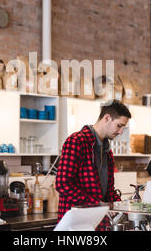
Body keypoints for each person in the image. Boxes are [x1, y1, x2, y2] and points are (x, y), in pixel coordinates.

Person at [55, 99, 131, 231]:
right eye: (119, 126)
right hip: (74, 223)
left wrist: (125, 207)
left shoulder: (107, 153)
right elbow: (63, 183)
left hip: (97, 223)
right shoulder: (76, 141)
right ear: (107, 118)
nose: (120, 132)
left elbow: (109, 192)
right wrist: (97, 204)